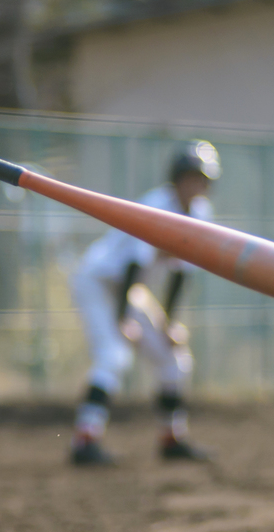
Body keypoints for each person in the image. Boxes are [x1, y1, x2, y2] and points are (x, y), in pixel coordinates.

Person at [67, 140, 219, 466]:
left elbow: (182, 273)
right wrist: (124, 319)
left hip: (129, 289)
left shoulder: (200, 213)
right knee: (114, 356)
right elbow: (132, 265)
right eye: (190, 177)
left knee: (175, 358)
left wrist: (169, 323)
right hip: (98, 280)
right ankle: (85, 440)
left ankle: (171, 438)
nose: (196, 185)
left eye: (203, 180)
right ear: (176, 178)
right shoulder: (157, 205)